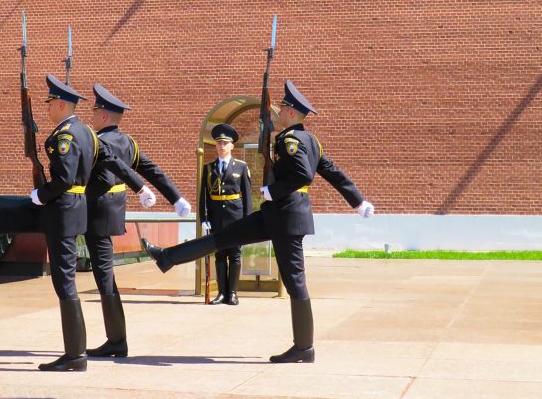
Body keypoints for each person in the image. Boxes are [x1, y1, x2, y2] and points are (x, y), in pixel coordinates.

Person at [0, 73, 157, 372]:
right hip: (65, 209)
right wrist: (140, 187)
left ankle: (75, 355)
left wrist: (40, 193)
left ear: (62, 105)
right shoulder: (88, 132)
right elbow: (114, 162)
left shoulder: (65, 136)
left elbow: (63, 180)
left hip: (60, 210)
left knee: (65, 282)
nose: (47, 108)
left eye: (50, 103)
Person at [141, 79, 375, 364]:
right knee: (224, 237)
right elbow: (333, 172)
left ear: (291, 113)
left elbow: (304, 175)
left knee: (294, 281)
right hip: (276, 215)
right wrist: (357, 200)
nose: (280, 112)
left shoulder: (291, 140)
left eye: (283, 108)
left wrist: (271, 190)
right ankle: (168, 257)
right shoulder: (310, 140)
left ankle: (304, 347)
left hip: (286, 217)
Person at [0, 83, 191, 359]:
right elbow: (153, 171)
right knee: (105, 277)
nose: (92, 116)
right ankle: (116, 339)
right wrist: (175, 199)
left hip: (86, 210)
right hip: (111, 214)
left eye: (96, 111)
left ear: (105, 116)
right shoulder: (129, 143)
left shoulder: (97, 141)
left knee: (46, 225)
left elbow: (90, 176)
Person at [199, 124, 252, 305]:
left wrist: (247, 220)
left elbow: (247, 196)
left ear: (232, 146)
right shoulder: (208, 168)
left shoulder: (241, 167)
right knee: (220, 254)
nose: (221, 146)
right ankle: (221, 293)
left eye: (225, 143)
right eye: (218, 143)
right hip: (216, 217)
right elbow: (203, 196)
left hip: (235, 216)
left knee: (235, 254)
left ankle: (233, 293)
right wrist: (204, 218)